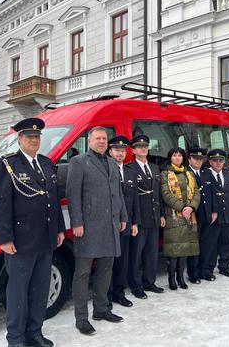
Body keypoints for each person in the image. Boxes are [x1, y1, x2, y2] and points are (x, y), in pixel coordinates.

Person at [0, 117, 65, 347]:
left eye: (37, 137)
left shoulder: (46, 164)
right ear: (19, 139)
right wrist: (5, 238)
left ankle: (35, 332)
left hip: (45, 238)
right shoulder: (7, 165)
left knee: (40, 289)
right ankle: (16, 338)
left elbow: (53, 199)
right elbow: (1, 203)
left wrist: (60, 229)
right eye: (29, 136)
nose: (34, 140)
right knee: (18, 291)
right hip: (20, 241)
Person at [66, 126, 128, 336]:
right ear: (89, 141)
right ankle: (81, 318)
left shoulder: (112, 162)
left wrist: (122, 217)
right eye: (98, 138)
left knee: (105, 269)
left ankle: (101, 309)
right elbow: (73, 194)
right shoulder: (79, 161)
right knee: (82, 273)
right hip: (88, 226)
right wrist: (76, 222)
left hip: (110, 225)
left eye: (104, 138)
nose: (102, 141)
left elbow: (117, 194)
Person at [127, 135, 165, 299]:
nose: (143, 148)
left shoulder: (155, 168)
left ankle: (149, 282)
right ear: (133, 150)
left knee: (152, 253)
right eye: (139, 146)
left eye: (145, 146)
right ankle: (136, 285)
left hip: (154, 217)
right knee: (136, 255)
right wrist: (133, 221)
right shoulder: (130, 169)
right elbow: (130, 197)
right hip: (140, 218)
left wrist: (162, 214)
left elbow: (158, 194)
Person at [107, 135, 140, 308]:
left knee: (123, 260)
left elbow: (134, 200)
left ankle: (119, 292)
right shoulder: (105, 169)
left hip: (126, 224)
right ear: (110, 151)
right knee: (108, 262)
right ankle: (107, 294)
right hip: (109, 224)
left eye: (122, 150)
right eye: (116, 150)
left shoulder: (130, 172)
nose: (120, 153)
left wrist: (134, 222)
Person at [160, 147, 200, 290]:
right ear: (170, 157)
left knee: (185, 249)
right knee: (174, 250)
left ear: (183, 158)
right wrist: (182, 208)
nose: (177, 158)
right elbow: (166, 194)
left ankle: (180, 277)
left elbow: (196, 191)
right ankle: (171, 278)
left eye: (179, 155)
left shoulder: (189, 173)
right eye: (174, 155)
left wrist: (191, 207)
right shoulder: (165, 173)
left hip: (189, 216)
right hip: (173, 216)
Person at [186, 147, 218, 283]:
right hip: (193, 216)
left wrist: (215, 211)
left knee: (207, 244)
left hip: (207, 215)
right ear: (189, 159)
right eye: (195, 158)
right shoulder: (185, 173)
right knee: (194, 245)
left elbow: (214, 193)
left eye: (200, 159)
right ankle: (193, 273)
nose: (198, 161)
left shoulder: (207, 173)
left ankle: (205, 270)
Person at [208, 149, 229, 277]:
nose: (218, 163)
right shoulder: (206, 174)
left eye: (220, 160)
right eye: (215, 160)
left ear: (224, 162)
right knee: (212, 243)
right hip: (214, 215)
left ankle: (225, 266)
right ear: (210, 162)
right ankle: (209, 268)